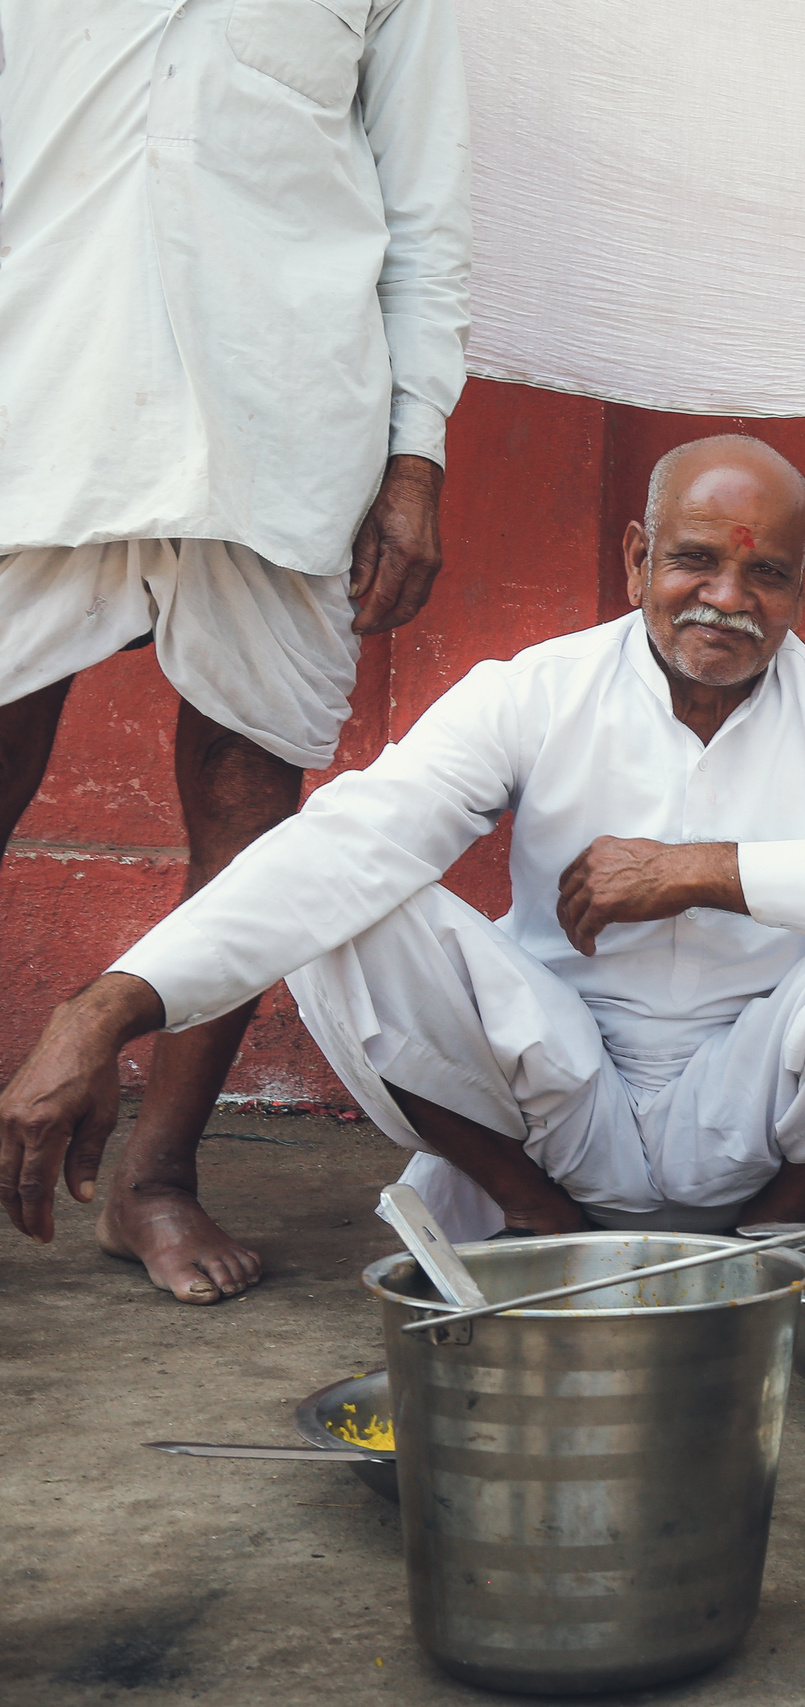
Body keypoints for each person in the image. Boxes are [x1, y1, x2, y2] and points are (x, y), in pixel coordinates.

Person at [0, 438, 805, 1245]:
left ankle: (775, 1233)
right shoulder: (536, 690)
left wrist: (709, 873)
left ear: (802, 585)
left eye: (765, 572)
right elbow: (345, 846)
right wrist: (103, 1011)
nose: (728, 598)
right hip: (559, 1100)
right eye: (695, 560)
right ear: (637, 558)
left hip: (768, 1106)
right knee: (351, 905)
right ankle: (535, 1220)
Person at [0, 2, 472, 1298]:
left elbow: (426, 214)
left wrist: (415, 457)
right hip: (42, 386)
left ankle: (154, 1179)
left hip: (281, 416)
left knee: (249, 808)